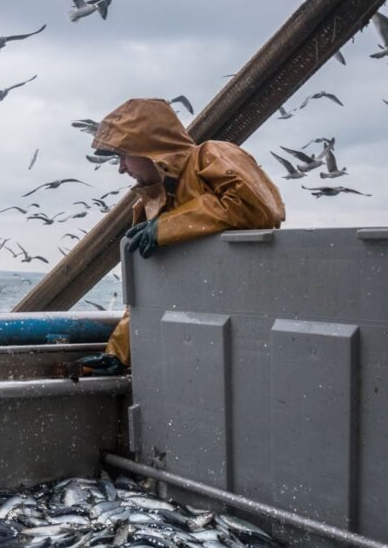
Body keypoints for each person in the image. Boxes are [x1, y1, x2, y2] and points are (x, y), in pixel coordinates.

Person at [76, 98, 286, 376]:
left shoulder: (211, 154)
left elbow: (260, 208)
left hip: (252, 329)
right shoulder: (148, 206)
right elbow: (149, 293)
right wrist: (119, 353)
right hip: (200, 340)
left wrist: (167, 226)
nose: (122, 168)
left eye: (123, 155)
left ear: (147, 148)